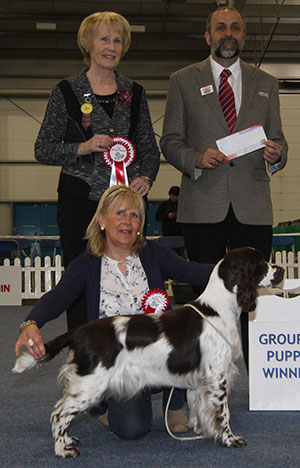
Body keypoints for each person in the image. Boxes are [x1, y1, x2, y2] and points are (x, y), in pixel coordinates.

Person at [15, 185, 214, 440]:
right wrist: (31, 322)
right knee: (132, 428)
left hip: (156, 353)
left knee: (188, 336)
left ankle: (174, 404)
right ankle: (102, 402)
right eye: (120, 213)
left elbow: (195, 272)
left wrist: (234, 267)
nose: (128, 222)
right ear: (101, 220)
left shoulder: (155, 254)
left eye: (135, 215)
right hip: (114, 359)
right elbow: (58, 296)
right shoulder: (87, 264)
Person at [160, 6, 288, 367]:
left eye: (235, 28)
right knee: (205, 295)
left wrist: (277, 154)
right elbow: (170, 141)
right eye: (220, 28)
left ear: (243, 36)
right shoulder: (182, 80)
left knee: (255, 292)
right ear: (208, 36)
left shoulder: (267, 83)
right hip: (203, 203)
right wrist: (196, 158)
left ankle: (254, 368)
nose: (228, 33)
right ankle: (202, 365)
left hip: (253, 204)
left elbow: (278, 140)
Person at [34, 11, 160, 330]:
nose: (111, 46)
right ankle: (82, 352)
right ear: (88, 44)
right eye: (104, 38)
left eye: (118, 40)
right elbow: (43, 148)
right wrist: (83, 147)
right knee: (80, 279)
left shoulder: (136, 93)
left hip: (125, 206)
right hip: (79, 201)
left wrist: (146, 176)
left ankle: (128, 351)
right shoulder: (65, 92)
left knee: (130, 276)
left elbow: (148, 149)